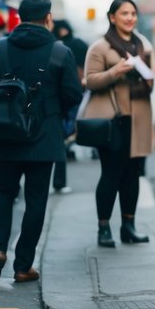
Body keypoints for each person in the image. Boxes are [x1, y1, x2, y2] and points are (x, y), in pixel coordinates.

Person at [0, 0, 82, 282]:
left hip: (7, 132)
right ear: (48, 18)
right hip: (44, 136)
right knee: (36, 200)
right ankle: (23, 266)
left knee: (3, 192)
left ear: (19, 17)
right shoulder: (61, 52)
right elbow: (73, 94)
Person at [81, 0, 155, 247]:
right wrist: (116, 72)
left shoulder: (143, 44)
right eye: (124, 13)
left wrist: (148, 78)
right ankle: (103, 228)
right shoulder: (100, 47)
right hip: (112, 119)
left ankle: (129, 226)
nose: (130, 18)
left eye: (133, 13)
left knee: (132, 174)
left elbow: (152, 79)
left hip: (138, 118)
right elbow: (90, 81)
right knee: (111, 174)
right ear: (112, 17)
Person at [51, 20, 88, 193]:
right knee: (67, 128)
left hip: (54, 98)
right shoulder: (78, 45)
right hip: (75, 92)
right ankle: (70, 141)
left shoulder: (54, 46)